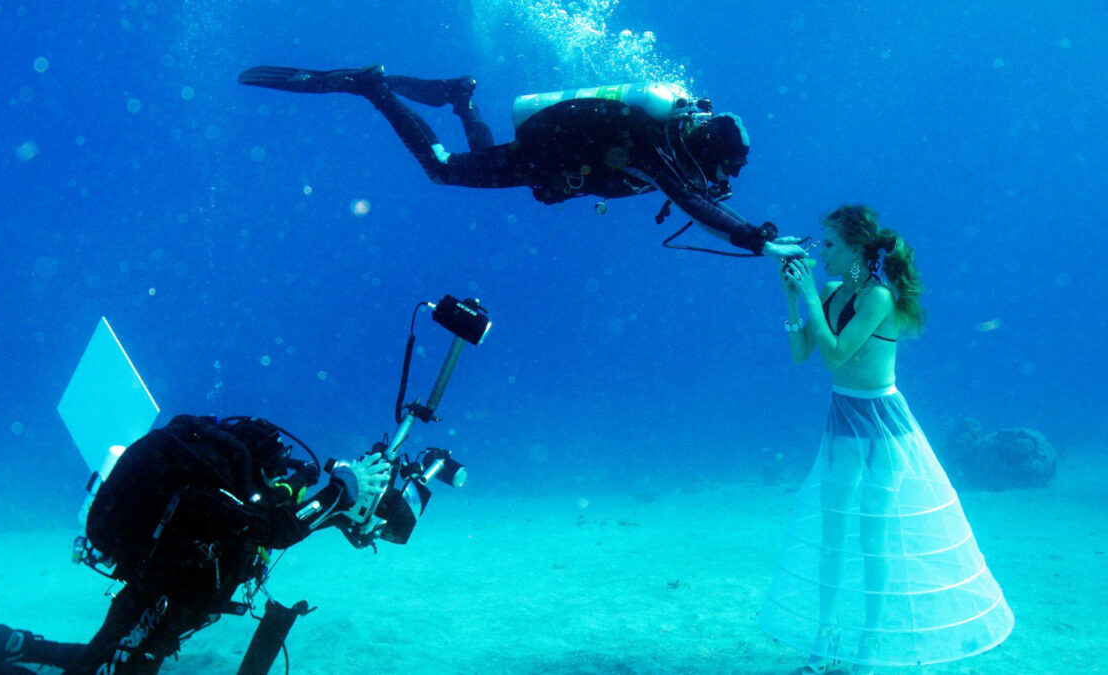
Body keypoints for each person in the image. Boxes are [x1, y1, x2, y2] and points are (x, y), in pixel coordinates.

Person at [0, 415, 391, 675]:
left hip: (158, 593)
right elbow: (275, 529)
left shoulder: (219, 487)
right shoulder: (209, 493)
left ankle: (12, 643)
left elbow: (278, 516)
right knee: (111, 667)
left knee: (115, 658)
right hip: (154, 593)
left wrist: (340, 501)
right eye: (268, 477)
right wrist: (338, 491)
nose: (270, 489)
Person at [758, 205, 1014, 674]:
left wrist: (809, 298)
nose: (821, 253)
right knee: (833, 536)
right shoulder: (832, 291)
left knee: (872, 538)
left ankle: (869, 643)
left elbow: (835, 357)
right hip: (843, 420)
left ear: (857, 248)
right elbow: (802, 354)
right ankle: (825, 638)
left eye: (830, 244)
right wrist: (793, 300)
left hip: (881, 426)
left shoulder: (876, 297)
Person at [237, 64, 808, 261]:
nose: (723, 181)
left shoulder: (672, 142)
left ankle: (460, 97)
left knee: (479, 159)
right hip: (544, 155)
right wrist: (757, 242)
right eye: (725, 169)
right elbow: (692, 202)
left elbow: (697, 198)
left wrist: (752, 232)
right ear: (705, 150)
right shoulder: (656, 146)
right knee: (444, 168)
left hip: (549, 162)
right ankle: (372, 87)